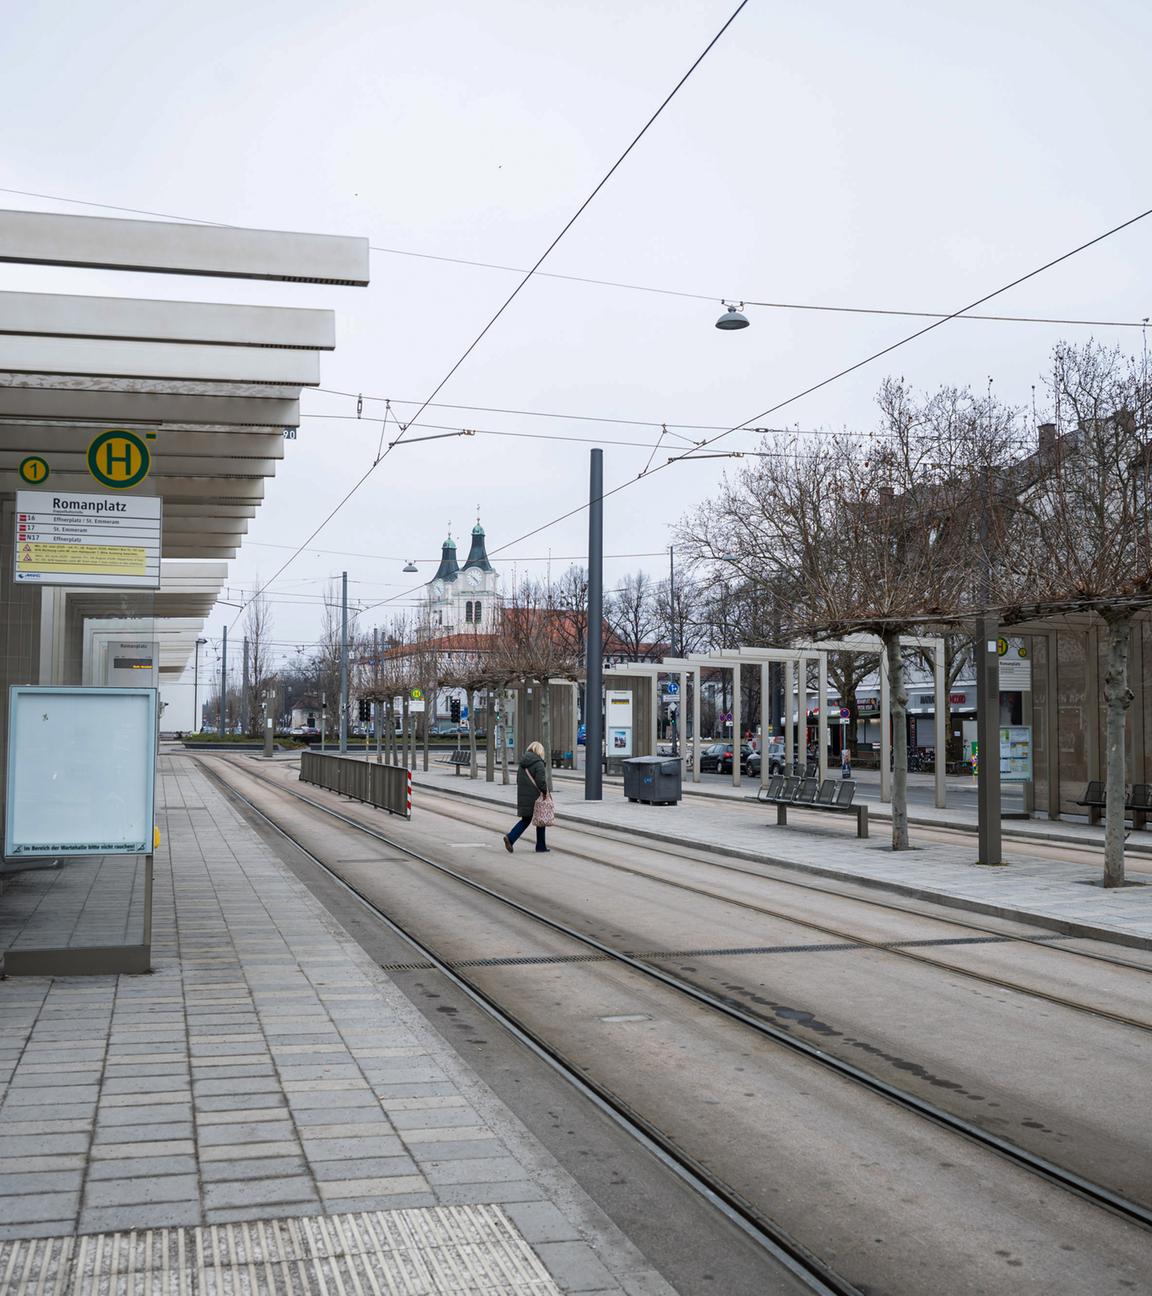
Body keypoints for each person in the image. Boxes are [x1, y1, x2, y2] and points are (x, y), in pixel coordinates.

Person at [503, 740, 552, 853]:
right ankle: (539, 846)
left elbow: (518, 780)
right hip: (535, 797)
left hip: (524, 796)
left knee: (526, 819)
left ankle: (511, 838)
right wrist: (545, 792)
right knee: (541, 819)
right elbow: (541, 781)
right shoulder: (538, 763)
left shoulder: (523, 763)